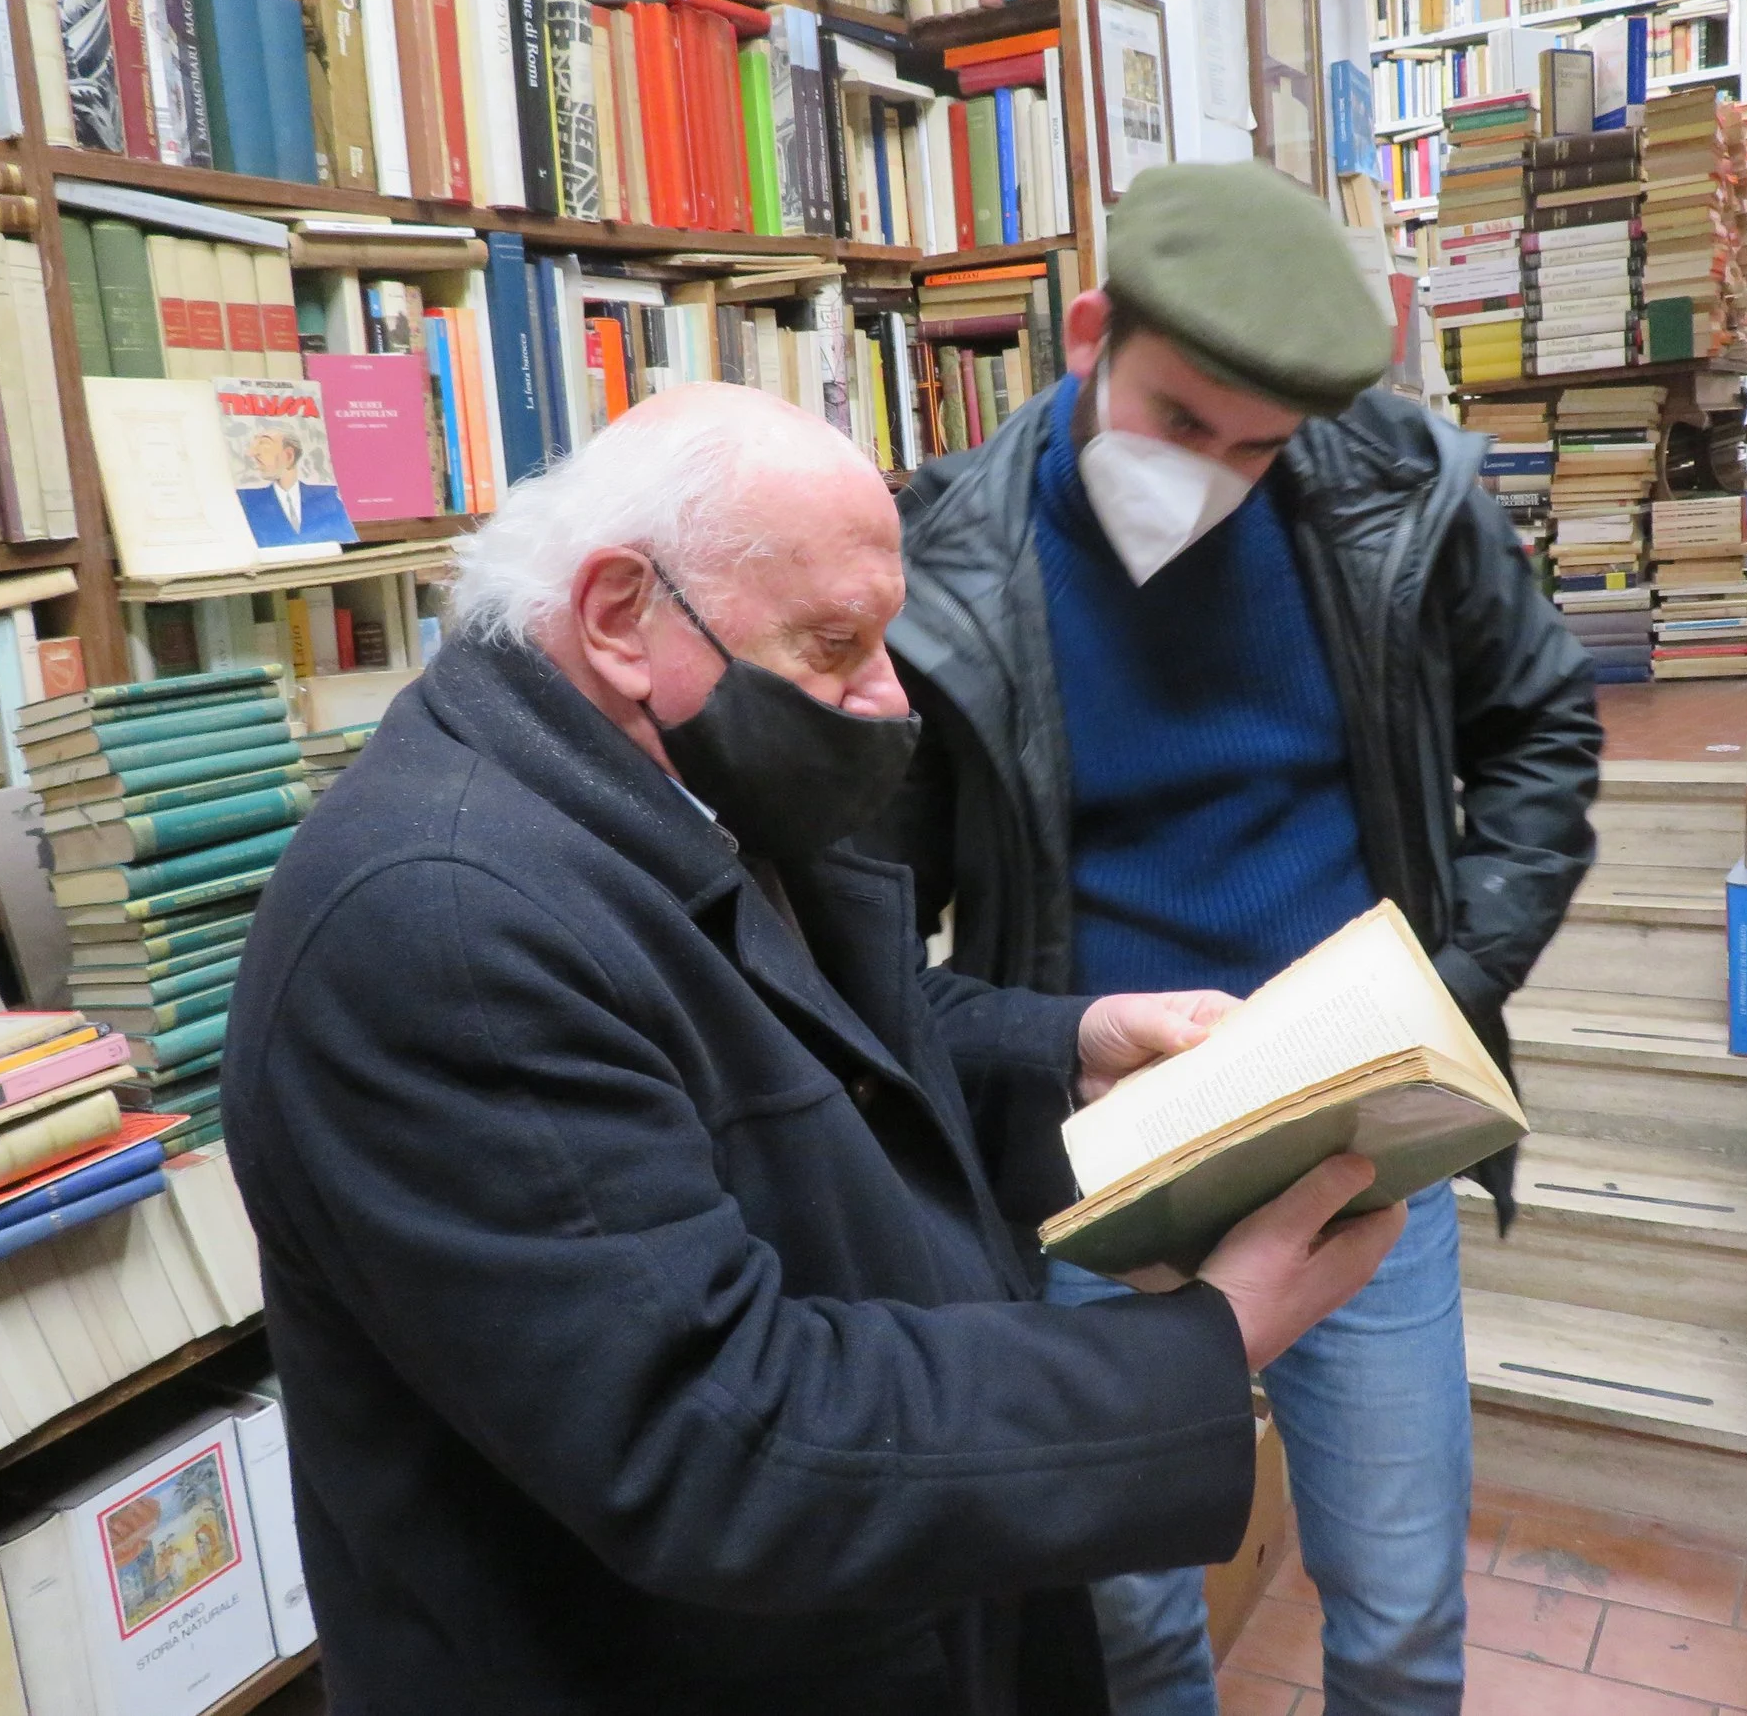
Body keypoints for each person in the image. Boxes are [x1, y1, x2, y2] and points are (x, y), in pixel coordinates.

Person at [218, 382, 1408, 1716]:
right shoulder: (441, 928)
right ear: (618, 614)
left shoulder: (660, 776)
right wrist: (1208, 1342)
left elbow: (817, 1042)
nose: (885, 695)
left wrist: (1073, 1056)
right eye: (835, 641)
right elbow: (719, 1435)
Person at [868, 161, 1603, 1716]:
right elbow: (876, 927)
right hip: (1091, 1157)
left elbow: (1541, 725)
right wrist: (1043, 1046)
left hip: (1355, 1124)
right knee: (1124, 1628)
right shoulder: (941, 562)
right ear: (1089, 334)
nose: (1211, 474)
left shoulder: (1395, 490)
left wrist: (1454, 993)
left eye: (1259, 446)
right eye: (1181, 420)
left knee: (1400, 1611)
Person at [236, 429, 352, 549]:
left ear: (288, 455)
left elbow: (341, 534)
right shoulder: (247, 500)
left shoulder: (328, 496)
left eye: (264, 444)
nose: (252, 453)